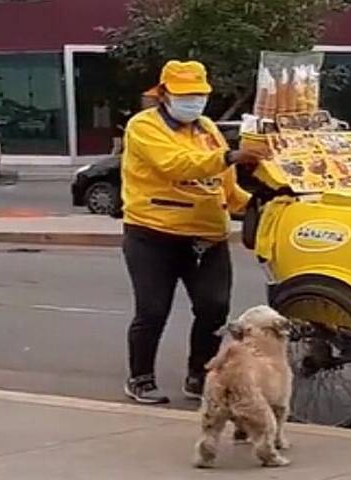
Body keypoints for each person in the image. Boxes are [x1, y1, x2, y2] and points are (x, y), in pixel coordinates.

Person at [121, 60, 267, 404]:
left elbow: (224, 189)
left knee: (214, 308)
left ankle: (199, 376)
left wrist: (258, 204)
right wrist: (230, 156)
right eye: (186, 95)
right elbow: (175, 165)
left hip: (207, 237)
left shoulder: (206, 129)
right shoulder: (143, 127)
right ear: (164, 94)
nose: (194, 101)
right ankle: (140, 378)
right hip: (153, 234)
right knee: (153, 310)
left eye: (199, 94)